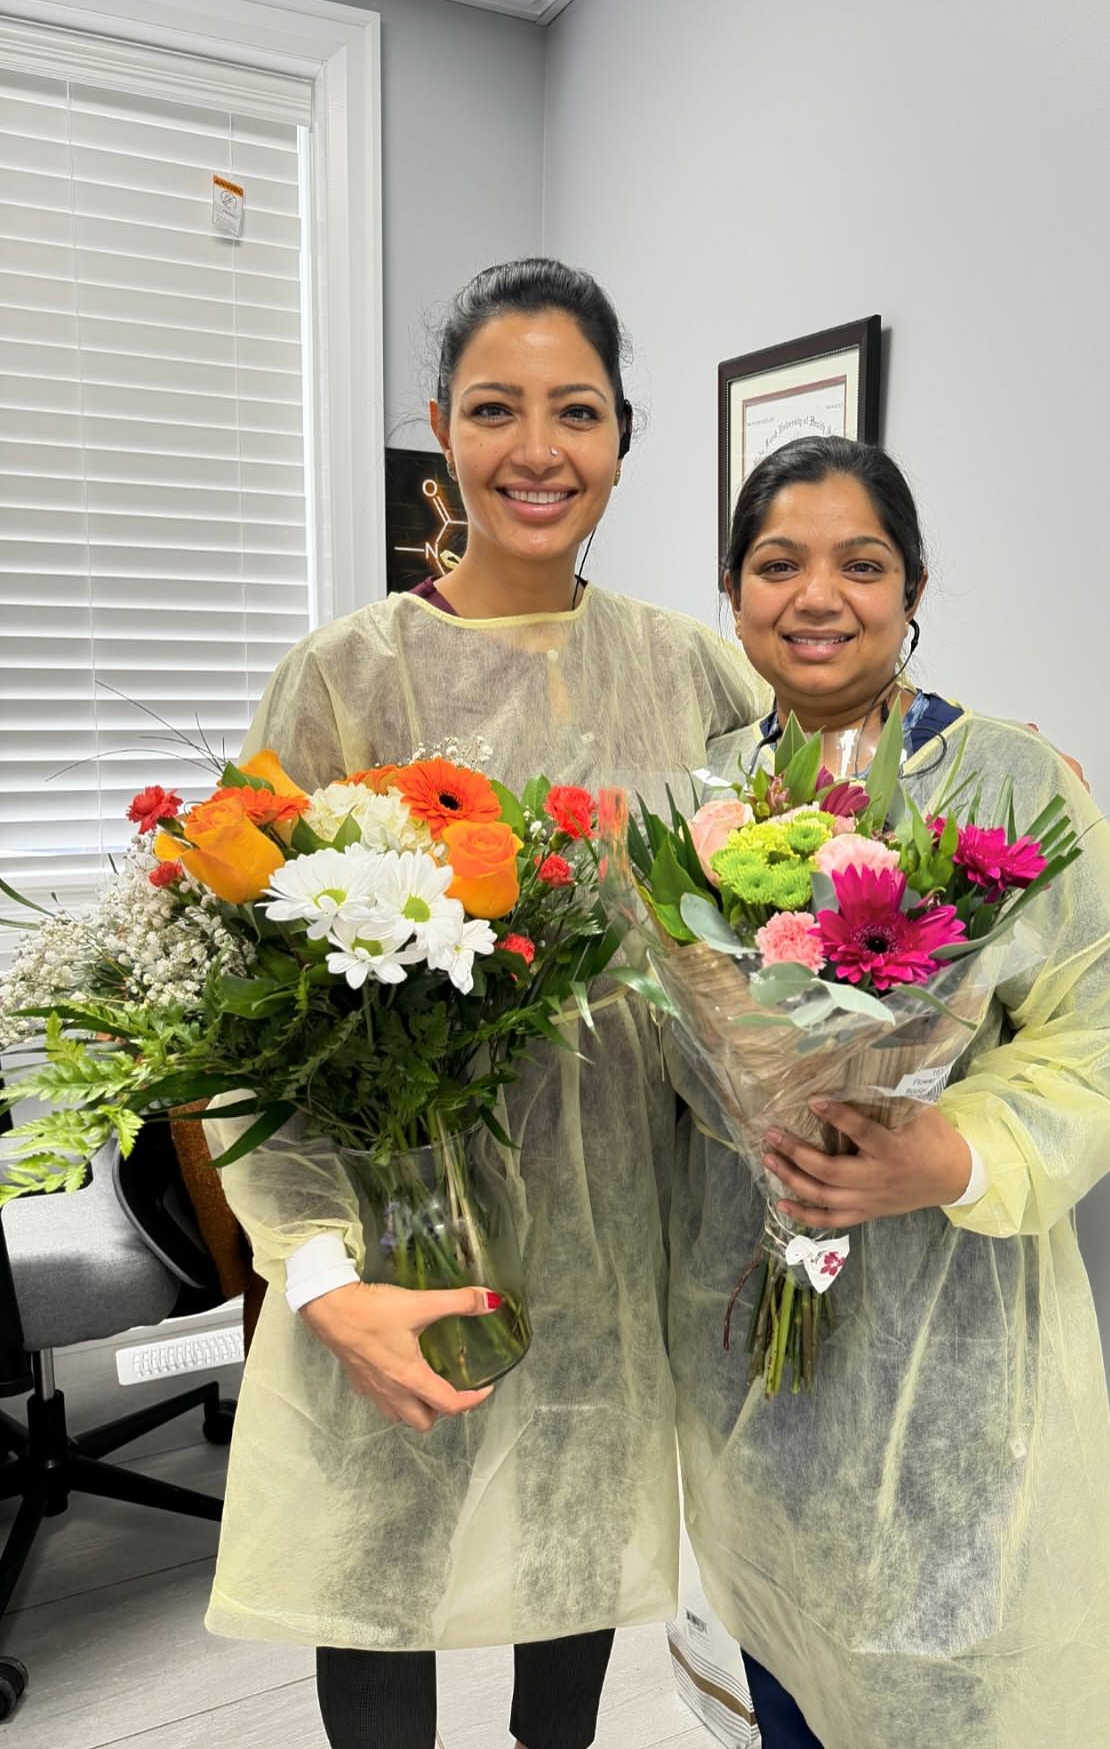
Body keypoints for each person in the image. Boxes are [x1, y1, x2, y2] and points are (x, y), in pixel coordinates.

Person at [203, 259, 765, 1749]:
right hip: (401, 1216)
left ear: (624, 437)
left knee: (572, 1541)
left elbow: (825, 783)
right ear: (443, 428)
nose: (539, 450)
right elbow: (249, 1027)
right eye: (497, 409)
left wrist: (982, 750)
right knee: (381, 1565)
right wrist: (318, 1274)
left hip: (614, 1215)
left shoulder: (688, 670)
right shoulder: (343, 679)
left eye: (575, 412)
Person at [665, 435, 1110, 1748]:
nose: (818, 595)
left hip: (952, 1346)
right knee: (780, 1648)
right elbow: (657, 1047)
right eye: (778, 563)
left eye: (862, 562)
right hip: (751, 1338)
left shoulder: (1008, 782)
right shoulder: (694, 805)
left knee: (953, 1687)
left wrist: (945, 1151)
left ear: (914, 587)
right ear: (733, 595)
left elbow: (1105, 1026)